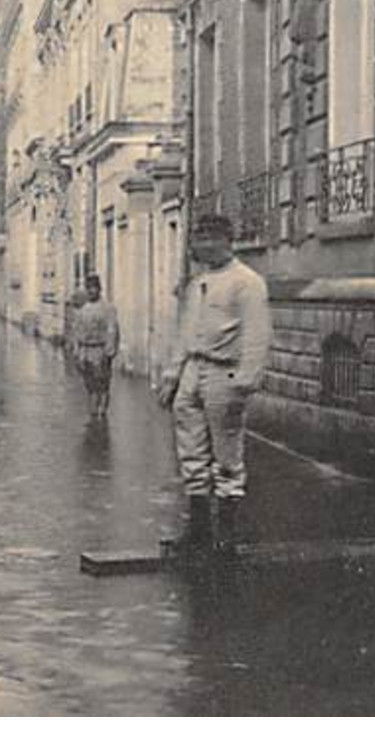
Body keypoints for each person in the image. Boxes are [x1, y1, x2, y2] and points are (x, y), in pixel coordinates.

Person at [155, 212, 272, 555]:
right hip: (193, 368)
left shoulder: (246, 282)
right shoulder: (198, 284)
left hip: (225, 372)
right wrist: (172, 374)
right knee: (190, 452)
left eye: (210, 238)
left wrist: (246, 380)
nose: (203, 245)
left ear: (227, 241)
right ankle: (199, 529)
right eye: (198, 239)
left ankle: (228, 533)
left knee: (226, 455)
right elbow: (186, 332)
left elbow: (257, 334)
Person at [71, 273, 120, 420]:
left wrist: (109, 351)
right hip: (86, 350)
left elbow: (112, 329)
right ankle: (93, 412)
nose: (91, 291)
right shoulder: (83, 310)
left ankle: (102, 412)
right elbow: (77, 331)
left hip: (100, 349)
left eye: (94, 288)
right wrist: (77, 350)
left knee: (102, 383)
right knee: (90, 384)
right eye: (89, 288)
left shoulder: (108, 308)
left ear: (100, 289)